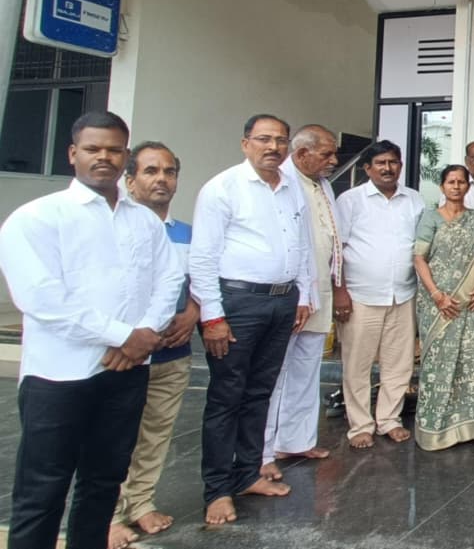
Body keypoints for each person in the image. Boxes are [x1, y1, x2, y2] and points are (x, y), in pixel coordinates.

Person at [0, 112, 182, 549]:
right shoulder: (37, 218)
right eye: (92, 149)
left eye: (114, 150)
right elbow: (42, 298)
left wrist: (143, 335)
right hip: (59, 377)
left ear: (125, 157)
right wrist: (125, 336)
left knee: (103, 483)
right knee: (42, 491)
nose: (104, 157)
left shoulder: (143, 221)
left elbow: (169, 279)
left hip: (125, 374)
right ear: (72, 153)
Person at [190, 114, 313, 524]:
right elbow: (202, 257)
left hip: (282, 301)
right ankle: (217, 490)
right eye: (264, 139)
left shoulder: (291, 187)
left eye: (280, 140)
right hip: (238, 304)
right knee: (227, 396)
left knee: (260, 393)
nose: (273, 147)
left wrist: (303, 294)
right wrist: (212, 316)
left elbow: (301, 246)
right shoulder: (222, 188)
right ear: (246, 144)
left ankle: (247, 473)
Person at [109, 141, 200, 549]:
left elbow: (200, 281)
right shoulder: (114, 229)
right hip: (123, 355)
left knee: (156, 434)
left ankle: (142, 503)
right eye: (150, 171)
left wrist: (193, 312)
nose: (161, 179)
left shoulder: (186, 234)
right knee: (114, 436)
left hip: (172, 354)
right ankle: (109, 514)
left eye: (169, 171)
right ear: (130, 180)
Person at [261, 124, 339, 481]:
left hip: (319, 289)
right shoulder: (282, 182)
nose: (333, 160)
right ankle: (263, 451)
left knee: (307, 369)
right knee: (275, 373)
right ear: (302, 153)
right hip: (291, 295)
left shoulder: (322, 183)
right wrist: (301, 295)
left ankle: (296, 441)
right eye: (326, 154)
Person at [333, 140, 424, 449]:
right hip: (360, 296)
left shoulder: (413, 200)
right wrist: (340, 291)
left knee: (399, 364)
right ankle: (360, 425)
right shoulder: (350, 200)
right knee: (357, 365)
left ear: (401, 165)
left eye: (393, 162)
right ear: (367, 168)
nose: (388, 168)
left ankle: (389, 420)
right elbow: (337, 250)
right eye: (381, 163)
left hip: (403, 294)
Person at [413, 165, 474, 451]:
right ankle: (435, 430)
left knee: (470, 361)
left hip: (470, 301)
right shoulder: (430, 218)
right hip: (438, 304)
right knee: (438, 364)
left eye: (461, 182)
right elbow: (419, 258)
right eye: (450, 182)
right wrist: (437, 295)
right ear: (442, 187)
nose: (456, 186)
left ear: (467, 187)